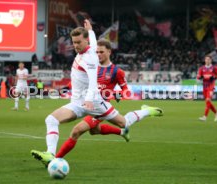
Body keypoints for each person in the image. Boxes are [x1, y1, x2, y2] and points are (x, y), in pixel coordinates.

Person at [31, 20, 163, 166]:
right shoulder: (90, 48)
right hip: (77, 103)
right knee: (51, 120)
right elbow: (93, 44)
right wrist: (91, 31)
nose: (75, 46)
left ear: (85, 40)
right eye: (73, 42)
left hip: (93, 103)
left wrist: (89, 99)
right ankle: (50, 154)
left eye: (78, 42)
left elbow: (93, 82)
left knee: (124, 123)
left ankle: (146, 111)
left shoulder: (90, 59)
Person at [197, 55, 217, 122]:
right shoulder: (201, 68)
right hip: (204, 86)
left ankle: (205, 117)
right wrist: (201, 77)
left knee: (208, 100)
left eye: (209, 59)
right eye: (206, 59)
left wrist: (214, 77)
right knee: (208, 102)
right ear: (205, 60)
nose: (207, 60)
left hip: (211, 86)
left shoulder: (214, 68)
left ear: (211, 60)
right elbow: (198, 76)